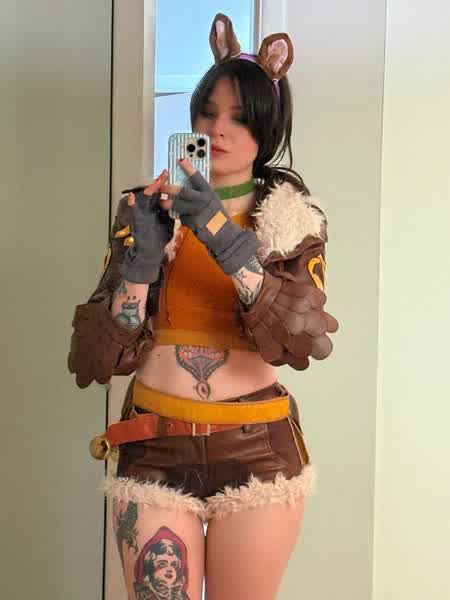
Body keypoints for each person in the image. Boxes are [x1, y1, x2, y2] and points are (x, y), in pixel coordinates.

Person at [68, 13, 339, 600]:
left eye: (241, 117)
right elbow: (98, 352)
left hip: (258, 448)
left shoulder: (293, 220)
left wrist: (216, 229)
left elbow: (298, 339)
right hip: (154, 443)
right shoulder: (144, 210)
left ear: (268, 128)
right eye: (208, 113)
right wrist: (141, 260)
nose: (219, 129)